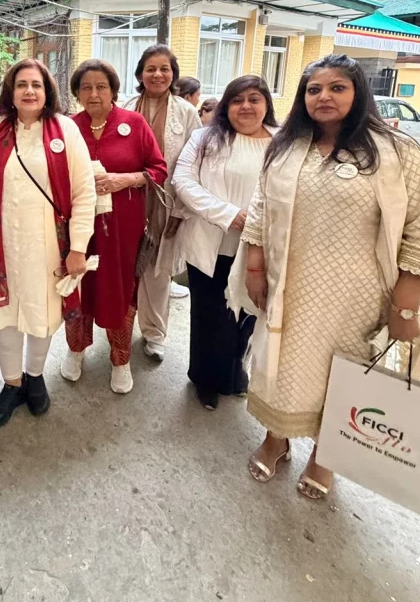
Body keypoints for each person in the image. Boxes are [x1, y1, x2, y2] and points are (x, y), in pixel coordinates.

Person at [237, 55, 420, 500]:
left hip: (358, 295)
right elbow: (260, 210)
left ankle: (326, 455)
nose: (324, 97)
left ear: (358, 93)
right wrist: (255, 268)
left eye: (337, 87)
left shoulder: (396, 152)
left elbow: (417, 227)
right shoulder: (285, 147)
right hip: (289, 286)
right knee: (280, 363)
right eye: (314, 89)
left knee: (344, 375)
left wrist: (406, 302)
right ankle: (276, 439)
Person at [0, 58, 95, 428]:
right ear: (10, 92)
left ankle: (35, 377)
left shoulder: (65, 130)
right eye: (21, 84)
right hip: (2, 243)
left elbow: (84, 191)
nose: (28, 91)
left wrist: (78, 247)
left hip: (48, 244)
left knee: (42, 313)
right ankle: (11, 384)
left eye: (36, 85)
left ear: (47, 91)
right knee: (4, 316)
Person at [173, 75, 277, 411]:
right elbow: (183, 181)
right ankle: (204, 379)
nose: (246, 106)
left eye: (254, 99)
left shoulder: (282, 143)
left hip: (260, 248)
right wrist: (229, 214)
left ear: (266, 105)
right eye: (237, 100)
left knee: (248, 313)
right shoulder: (205, 138)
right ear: (226, 106)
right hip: (210, 243)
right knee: (209, 315)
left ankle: (235, 372)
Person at [63, 60, 167, 393]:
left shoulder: (133, 124)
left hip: (122, 226)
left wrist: (126, 179)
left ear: (113, 91)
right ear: (77, 93)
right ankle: (76, 348)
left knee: (119, 288)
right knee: (77, 285)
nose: (94, 94)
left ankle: (120, 359)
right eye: (86, 87)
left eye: (101, 87)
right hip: (77, 227)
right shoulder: (67, 127)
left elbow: (159, 169)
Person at [125, 44, 200, 358]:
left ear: (173, 74)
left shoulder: (187, 113)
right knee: (124, 268)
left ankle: (154, 333)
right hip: (127, 199)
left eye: (164, 69)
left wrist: (181, 211)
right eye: (151, 69)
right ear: (140, 74)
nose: (157, 75)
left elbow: (195, 165)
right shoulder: (126, 107)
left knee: (158, 272)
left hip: (166, 203)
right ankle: (119, 329)